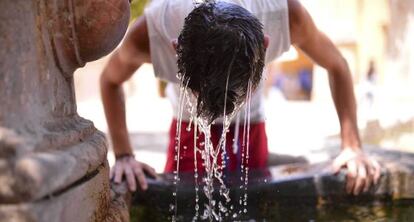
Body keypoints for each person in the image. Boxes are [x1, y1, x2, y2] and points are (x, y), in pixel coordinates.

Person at [100, 0, 381, 196]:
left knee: (256, 203)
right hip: (190, 129)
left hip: (251, 128)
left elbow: (338, 65)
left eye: (240, 92)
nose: (224, 111)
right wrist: (124, 155)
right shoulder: (151, 32)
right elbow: (110, 81)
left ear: (265, 46)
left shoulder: (285, 16)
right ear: (176, 49)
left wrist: (351, 145)